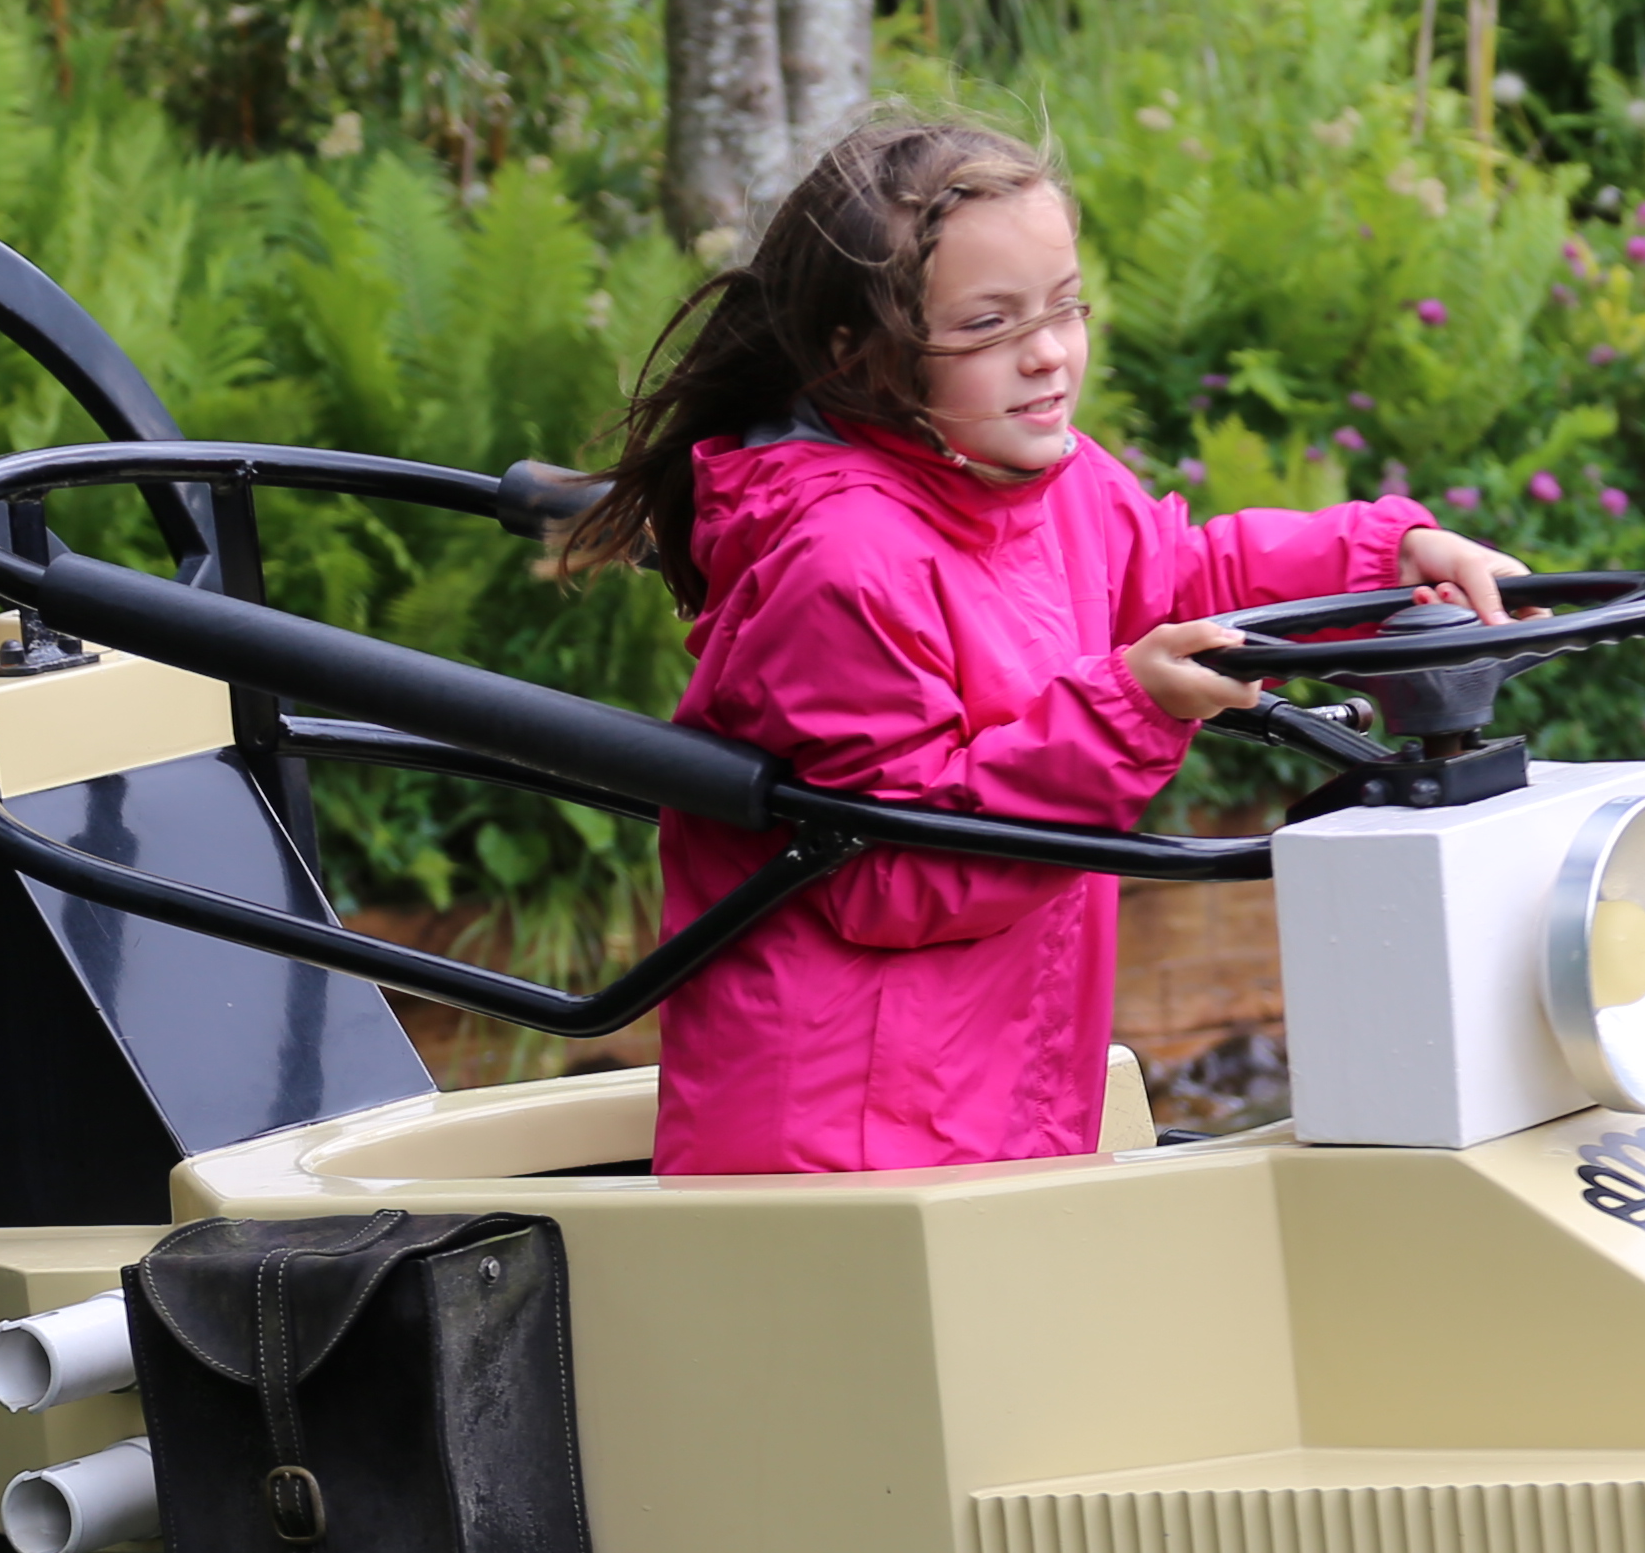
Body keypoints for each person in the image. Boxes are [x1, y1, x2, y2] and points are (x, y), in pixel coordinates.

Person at [556, 116, 1524, 1174]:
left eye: (1065, 306)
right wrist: (1130, 713)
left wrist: (1383, 557)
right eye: (989, 325)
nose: (1051, 352)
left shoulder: (1035, 478)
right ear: (859, 355)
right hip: (850, 1146)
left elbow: (1178, 576)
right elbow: (895, 871)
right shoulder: (844, 563)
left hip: (982, 1095)